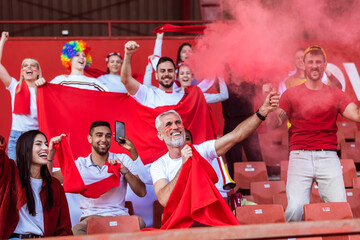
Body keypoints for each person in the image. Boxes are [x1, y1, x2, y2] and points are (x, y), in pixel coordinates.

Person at [272, 45, 360, 222]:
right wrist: (270, 109)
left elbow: (356, 115)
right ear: (303, 65)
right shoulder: (290, 94)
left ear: (325, 65)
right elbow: (274, 123)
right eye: (310, 62)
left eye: (318, 62)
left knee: (340, 208)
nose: (314, 66)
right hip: (299, 157)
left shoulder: (336, 94)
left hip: (328, 157)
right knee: (295, 209)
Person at [150, 88, 279, 207]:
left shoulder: (203, 150)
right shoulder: (158, 165)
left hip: (209, 219)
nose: (175, 127)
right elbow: (165, 200)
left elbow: (236, 135)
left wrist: (262, 112)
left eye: (178, 122)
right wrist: (184, 166)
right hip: (182, 225)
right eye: (168, 124)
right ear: (160, 135)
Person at [53, 121, 147, 234]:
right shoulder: (80, 165)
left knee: (140, 223)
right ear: (89, 138)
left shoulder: (122, 159)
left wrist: (124, 170)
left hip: (119, 217)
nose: (104, 140)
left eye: (107, 136)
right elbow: (50, 180)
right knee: (77, 231)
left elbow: (142, 192)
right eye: (99, 135)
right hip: (91, 218)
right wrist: (51, 153)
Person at [0, 131, 72, 239]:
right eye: (38, 144)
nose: (45, 148)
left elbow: (64, 229)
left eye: (46, 144)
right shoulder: (10, 173)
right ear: (25, 150)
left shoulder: (54, 185)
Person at [0, 31, 46, 161]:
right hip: (17, 136)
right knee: (16, 174)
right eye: (25, 66)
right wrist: (2, 41)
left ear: (38, 72)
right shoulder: (14, 86)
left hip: (35, 137)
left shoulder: (44, 90)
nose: (29, 67)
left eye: (33, 66)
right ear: (22, 72)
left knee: (34, 174)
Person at [222, 74, 264, 178]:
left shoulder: (250, 80)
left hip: (249, 120)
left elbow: (261, 89)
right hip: (231, 122)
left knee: (255, 156)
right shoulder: (223, 80)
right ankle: (235, 190)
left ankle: (259, 185)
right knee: (233, 160)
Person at [121, 41, 184, 108]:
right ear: (156, 75)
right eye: (162, 71)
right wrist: (128, 54)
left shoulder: (184, 98)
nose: (166, 74)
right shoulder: (147, 94)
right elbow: (126, 80)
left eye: (170, 70)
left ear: (175, 75)